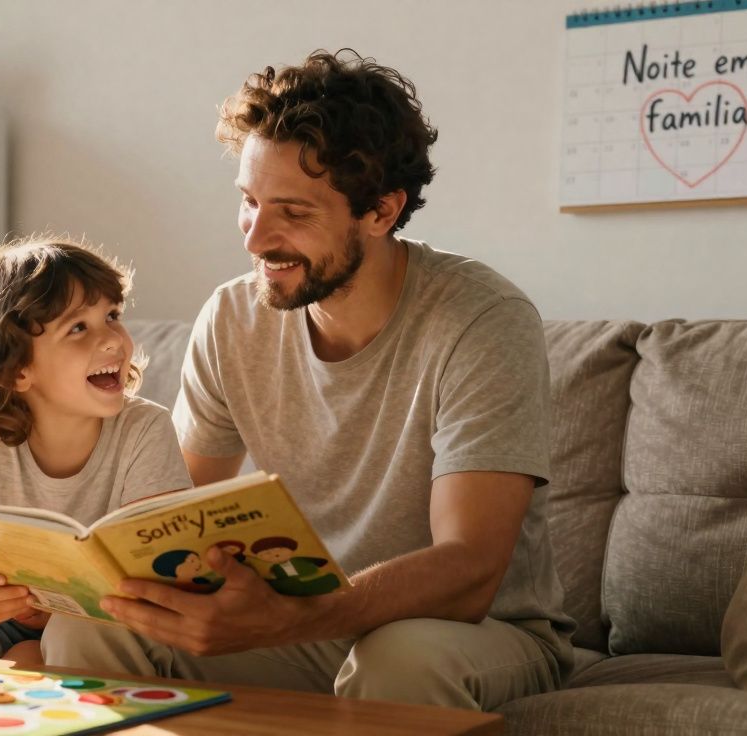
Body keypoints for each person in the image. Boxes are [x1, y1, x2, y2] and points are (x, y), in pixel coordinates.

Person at [41, 50, 575, 710]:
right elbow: (172, 518)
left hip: (473, 631)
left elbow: (469, 568)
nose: (255, 238)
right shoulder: (233, 318)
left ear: (381, 212)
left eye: (292, 213)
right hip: (304, 625)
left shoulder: (482, 321)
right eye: (249, 201)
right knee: (88, 630)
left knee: (399, 660)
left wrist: (287, 619)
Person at [0, 236, 194, 668]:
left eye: (112, 315)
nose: (113, 340)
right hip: (1, 620)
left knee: (32, 656)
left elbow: (157, 562)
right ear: (18, 370)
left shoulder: (144, 429)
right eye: (78, 328)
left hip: (97, 628)